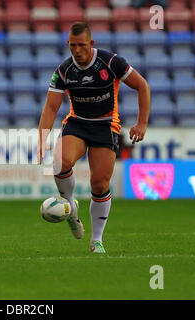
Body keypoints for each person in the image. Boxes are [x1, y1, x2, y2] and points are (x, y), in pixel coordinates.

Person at [38, 22, 150, 253]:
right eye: (72, 46)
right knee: (60, 162)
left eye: (81, 45)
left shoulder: (111, 62)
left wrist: (141, 123)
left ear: (91, 44)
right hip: (77, 123)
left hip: (105, 126)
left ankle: (96, 240)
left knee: (99, 184)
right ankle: (69, 206)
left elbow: (142, 86)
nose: (76, 51)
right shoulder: (64, 71)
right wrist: (42, 140)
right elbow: (50, 108)